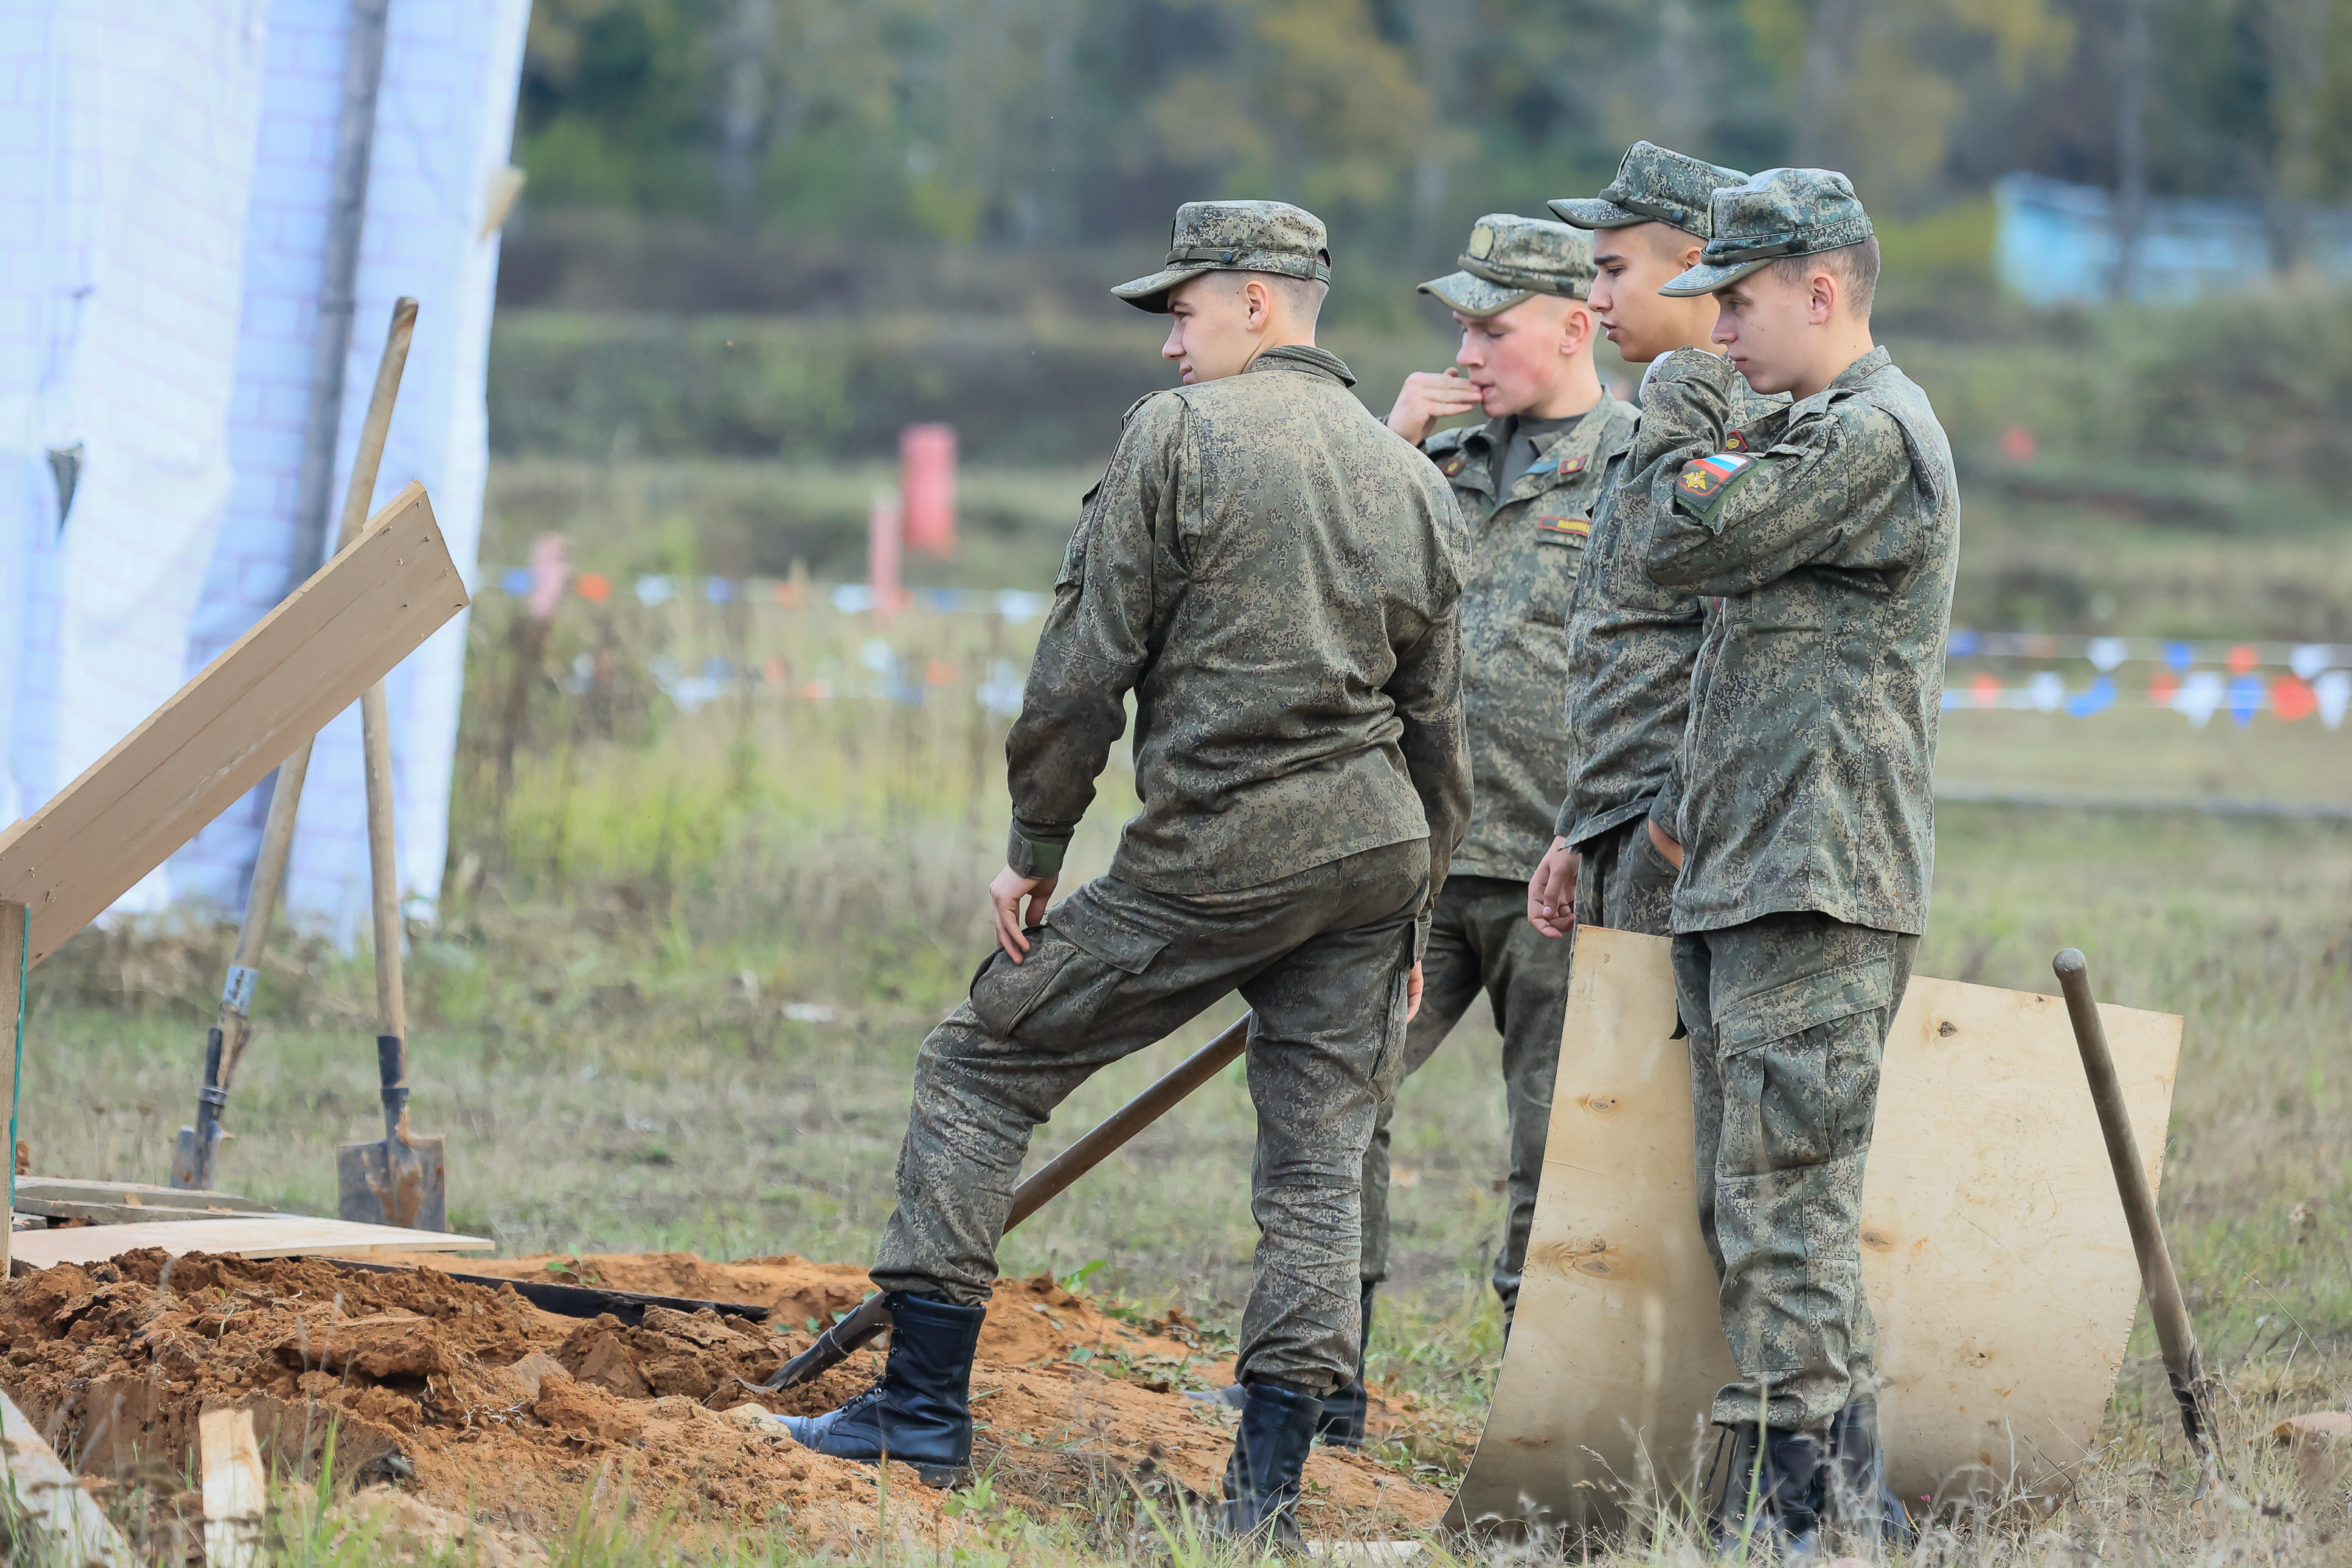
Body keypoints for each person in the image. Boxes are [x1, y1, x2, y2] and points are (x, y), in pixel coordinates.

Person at [783, 200, 1471, 1548]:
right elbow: (1444, 726)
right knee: (1319, 1167)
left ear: (1258, 304)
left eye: (1182, 308)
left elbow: (1082, 667)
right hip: (1374, 855)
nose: (1167, 342)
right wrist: (1415, 911)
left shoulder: (1179, 439)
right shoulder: (1413, 481)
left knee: (979, 1063)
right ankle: (1261, 1504)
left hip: (1224, 850)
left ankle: (916, 1414)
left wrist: (1034, 848)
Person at [1642, 167, 1960, 1555]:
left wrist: (1690, 427)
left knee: (1785, 1216)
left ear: (1819, 291)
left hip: (1816, 882)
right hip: (1755, 871)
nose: (1718, 331)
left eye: (1739, 299)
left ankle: (1804, 1522)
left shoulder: (1864, 438)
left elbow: (1667, 539)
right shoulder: (1806, 435)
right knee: (1762, 1212)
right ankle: (1840, 1508)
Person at [1325, 215, 1633, 1438]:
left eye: (1491, 326)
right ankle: (1310, 1382)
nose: (1466, 349)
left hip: (1564, 872)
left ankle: (1541, 1427)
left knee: (1554, 1157)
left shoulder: (1638, 461)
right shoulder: (1432, 459)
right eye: (1458, 323)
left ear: (1574, 326)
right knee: (1332, 1101)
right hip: (1417, 862)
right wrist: (1385, 444)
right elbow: (1332, 595)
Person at [1525, 140, 1762, 946]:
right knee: (1606, 1074)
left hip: (1671, 829)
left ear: (1692, 262)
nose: (1594, 299)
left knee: (1646, 1075)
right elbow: (1631, 643)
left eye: (1615, 270)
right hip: (1621, 818)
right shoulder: (1671, 401)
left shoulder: (1719, 406)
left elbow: (1736, 643)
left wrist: (1666, 828)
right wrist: (1578, 823)